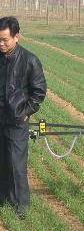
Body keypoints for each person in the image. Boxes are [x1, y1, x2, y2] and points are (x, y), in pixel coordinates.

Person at [0, 17, 47, 217]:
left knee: (16, 163)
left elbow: (39, 91)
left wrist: (26, 112)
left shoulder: (29, 60)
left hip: (16, 119)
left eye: (5, 40)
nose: (1, 44)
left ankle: (21, 206)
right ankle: (3, 199)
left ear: (17, 37)